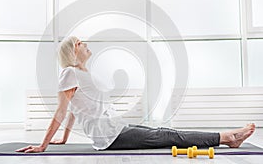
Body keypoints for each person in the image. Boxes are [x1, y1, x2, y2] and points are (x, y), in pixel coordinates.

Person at [16, 36, 256, 153]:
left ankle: (227, 137)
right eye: (79, 42)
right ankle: (228, 137)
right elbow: (61, 109)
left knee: (165, 132)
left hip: (115, 128)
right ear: (72, 51)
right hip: (110, 136)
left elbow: (73, 109)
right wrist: (43, 145)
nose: (85, 42)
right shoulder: (69, 73)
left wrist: (65, 139)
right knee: (168, 134)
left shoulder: (82, 74)